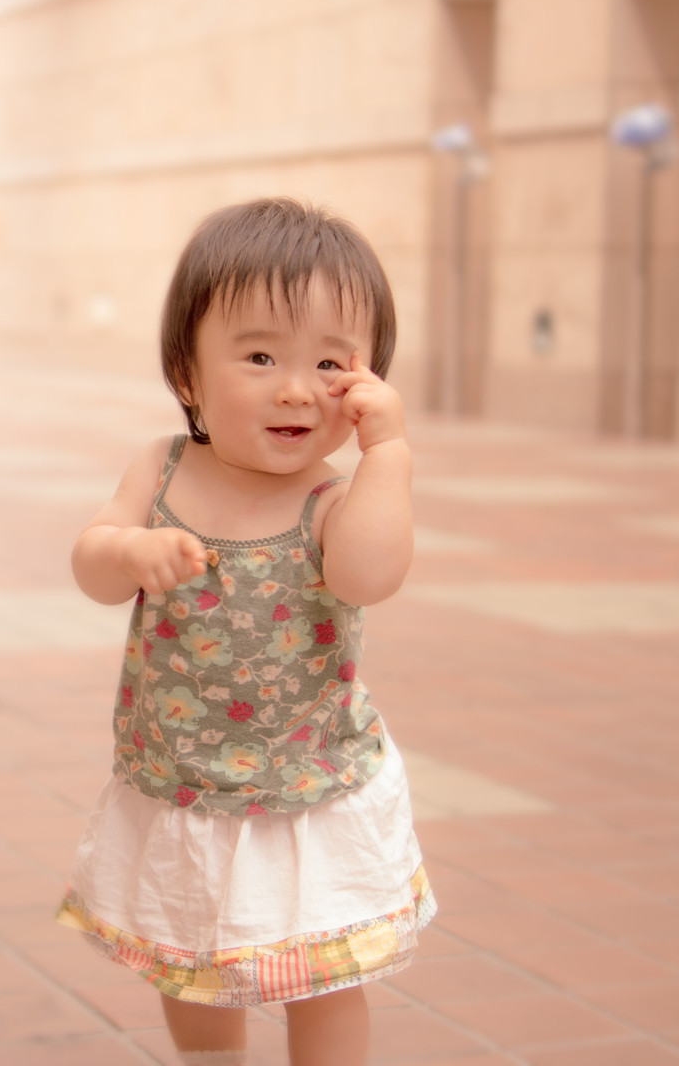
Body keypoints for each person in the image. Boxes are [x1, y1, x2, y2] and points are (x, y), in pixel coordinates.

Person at [57, 198, 435, 1066]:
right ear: (186, 375)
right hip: (182, 782)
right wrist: (129, 550)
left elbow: (368, 577)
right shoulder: (160, 468)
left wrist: (387, 457)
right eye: (260, 356)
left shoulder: (330, 499)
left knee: (323, 975)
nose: (295, 387)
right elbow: (91, 568)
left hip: (307, 785)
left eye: (330, 363)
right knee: (188, 962)